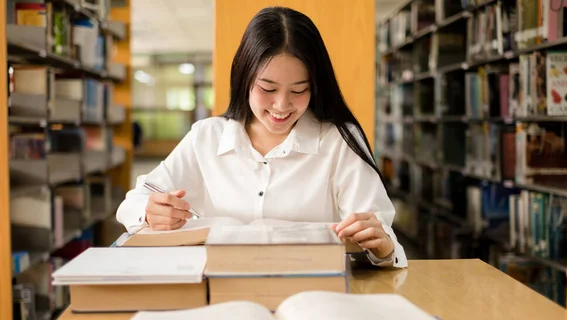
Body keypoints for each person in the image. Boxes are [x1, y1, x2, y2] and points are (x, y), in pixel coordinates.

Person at [116, 6, 407, 268]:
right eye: (267, 89)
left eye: (298, 90)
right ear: (244, 79)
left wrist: (382, 247)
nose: (282, 105)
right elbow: (135, 201)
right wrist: (150, 211)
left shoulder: (339, 140)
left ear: (316, 86)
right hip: (220, 290)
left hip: (315, 292)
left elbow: (380, 234)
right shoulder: (207, 136)